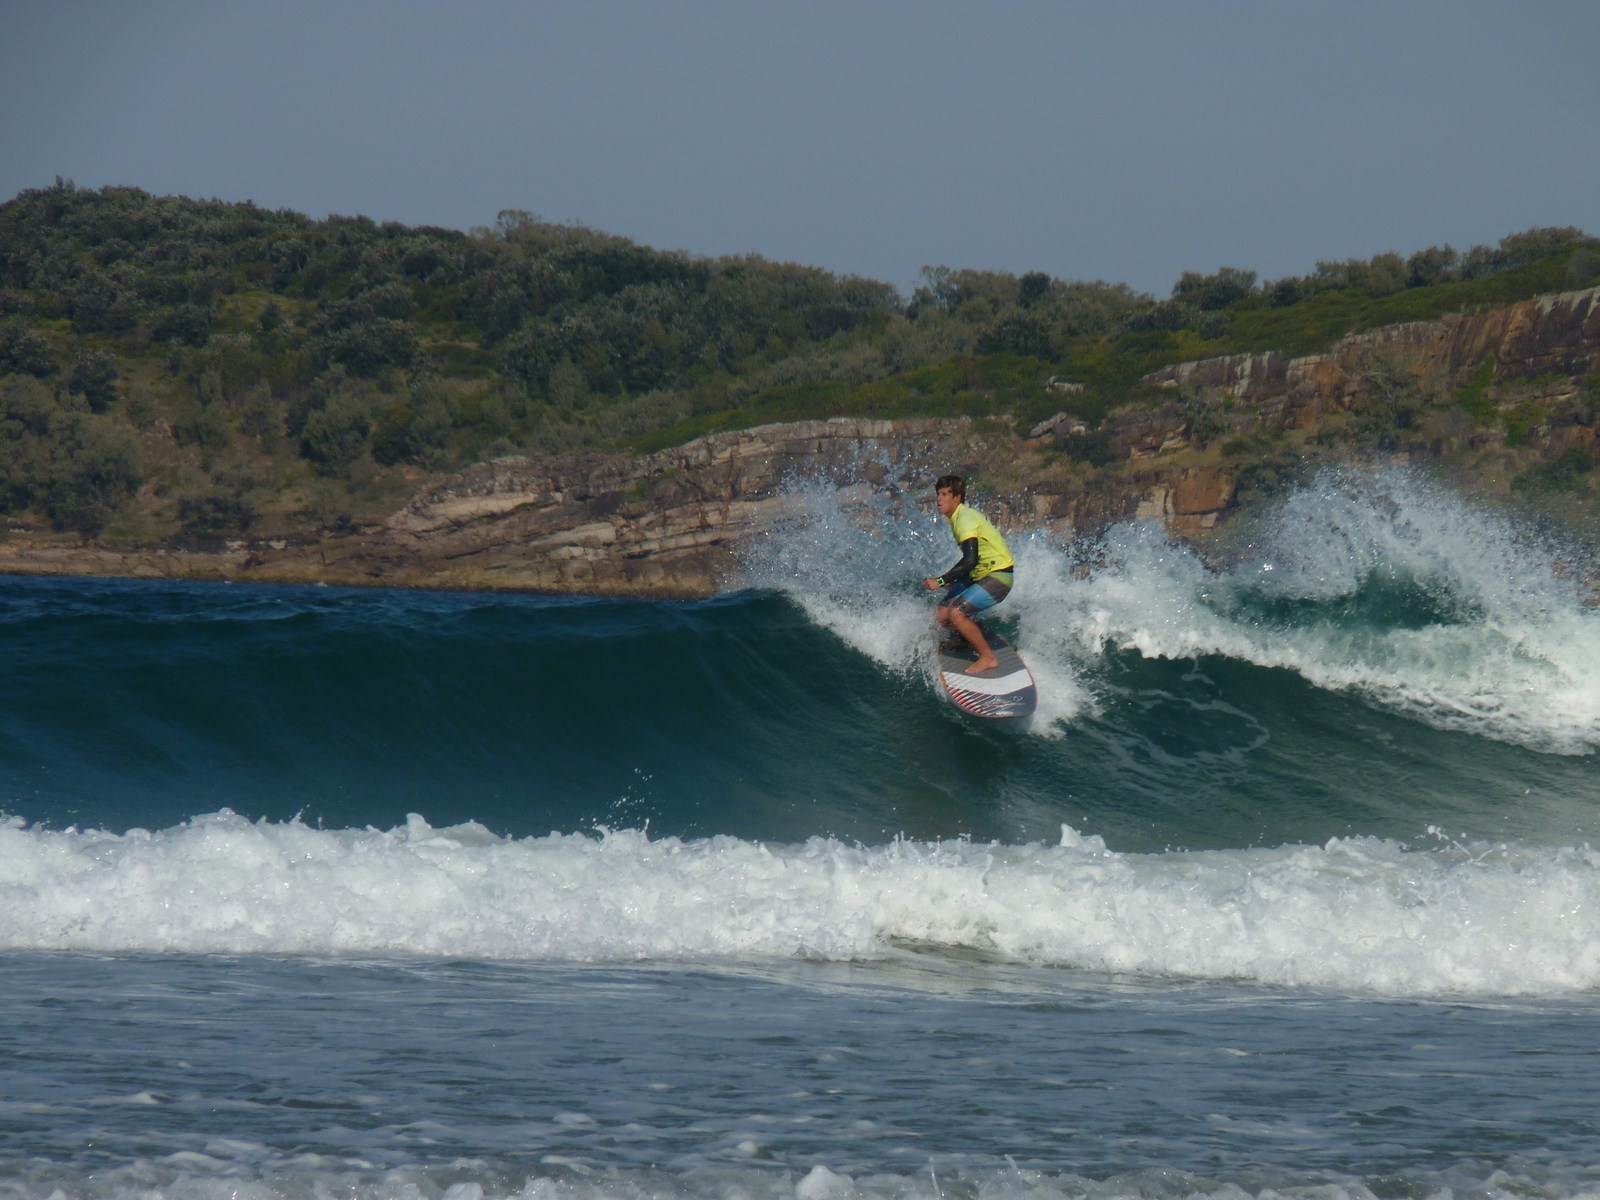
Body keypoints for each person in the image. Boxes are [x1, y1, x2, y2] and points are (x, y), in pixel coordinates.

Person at [922, 475, 1015, 674]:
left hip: (999, 575)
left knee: (956, 613)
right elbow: (971, 562)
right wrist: (952, 580)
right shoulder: (958, 518)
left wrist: (941, 580)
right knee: (942, 614)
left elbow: (970, 560)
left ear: (957, 498)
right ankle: (968, 634)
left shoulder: (964, 519)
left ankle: (988, 658)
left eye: (945, 494)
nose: (939, 499)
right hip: (981, 573)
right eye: (938, 494)